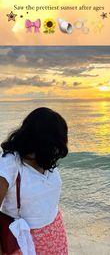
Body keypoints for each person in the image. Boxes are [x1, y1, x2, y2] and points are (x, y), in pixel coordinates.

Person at [0, 107, 68, 255]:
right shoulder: (9, 165)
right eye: (55, 142)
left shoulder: (46, 158)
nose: (57, 149)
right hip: (23, 241)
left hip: (55, 232)